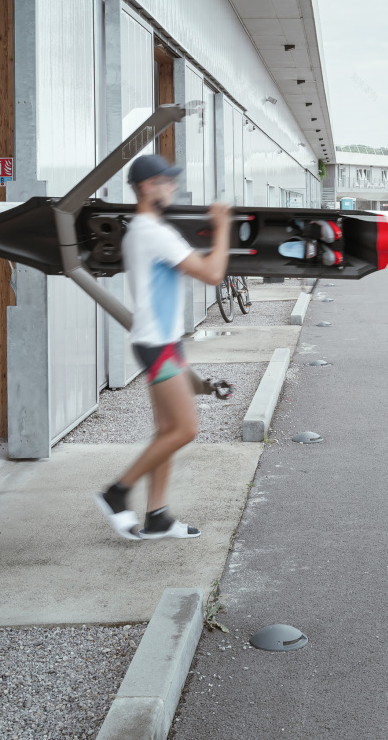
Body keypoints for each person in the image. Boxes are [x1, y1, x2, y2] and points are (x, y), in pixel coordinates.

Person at [95, 154, 231, 541]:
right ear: (147, 186)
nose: (173, 187)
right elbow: (213, 273)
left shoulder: (145, 229)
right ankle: (116, 493)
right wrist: (222, 228)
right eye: (167, 181)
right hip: (158, 345)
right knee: (185, 429)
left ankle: (158, 517)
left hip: (161, 342)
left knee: (166, 431)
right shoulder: (154, 231)